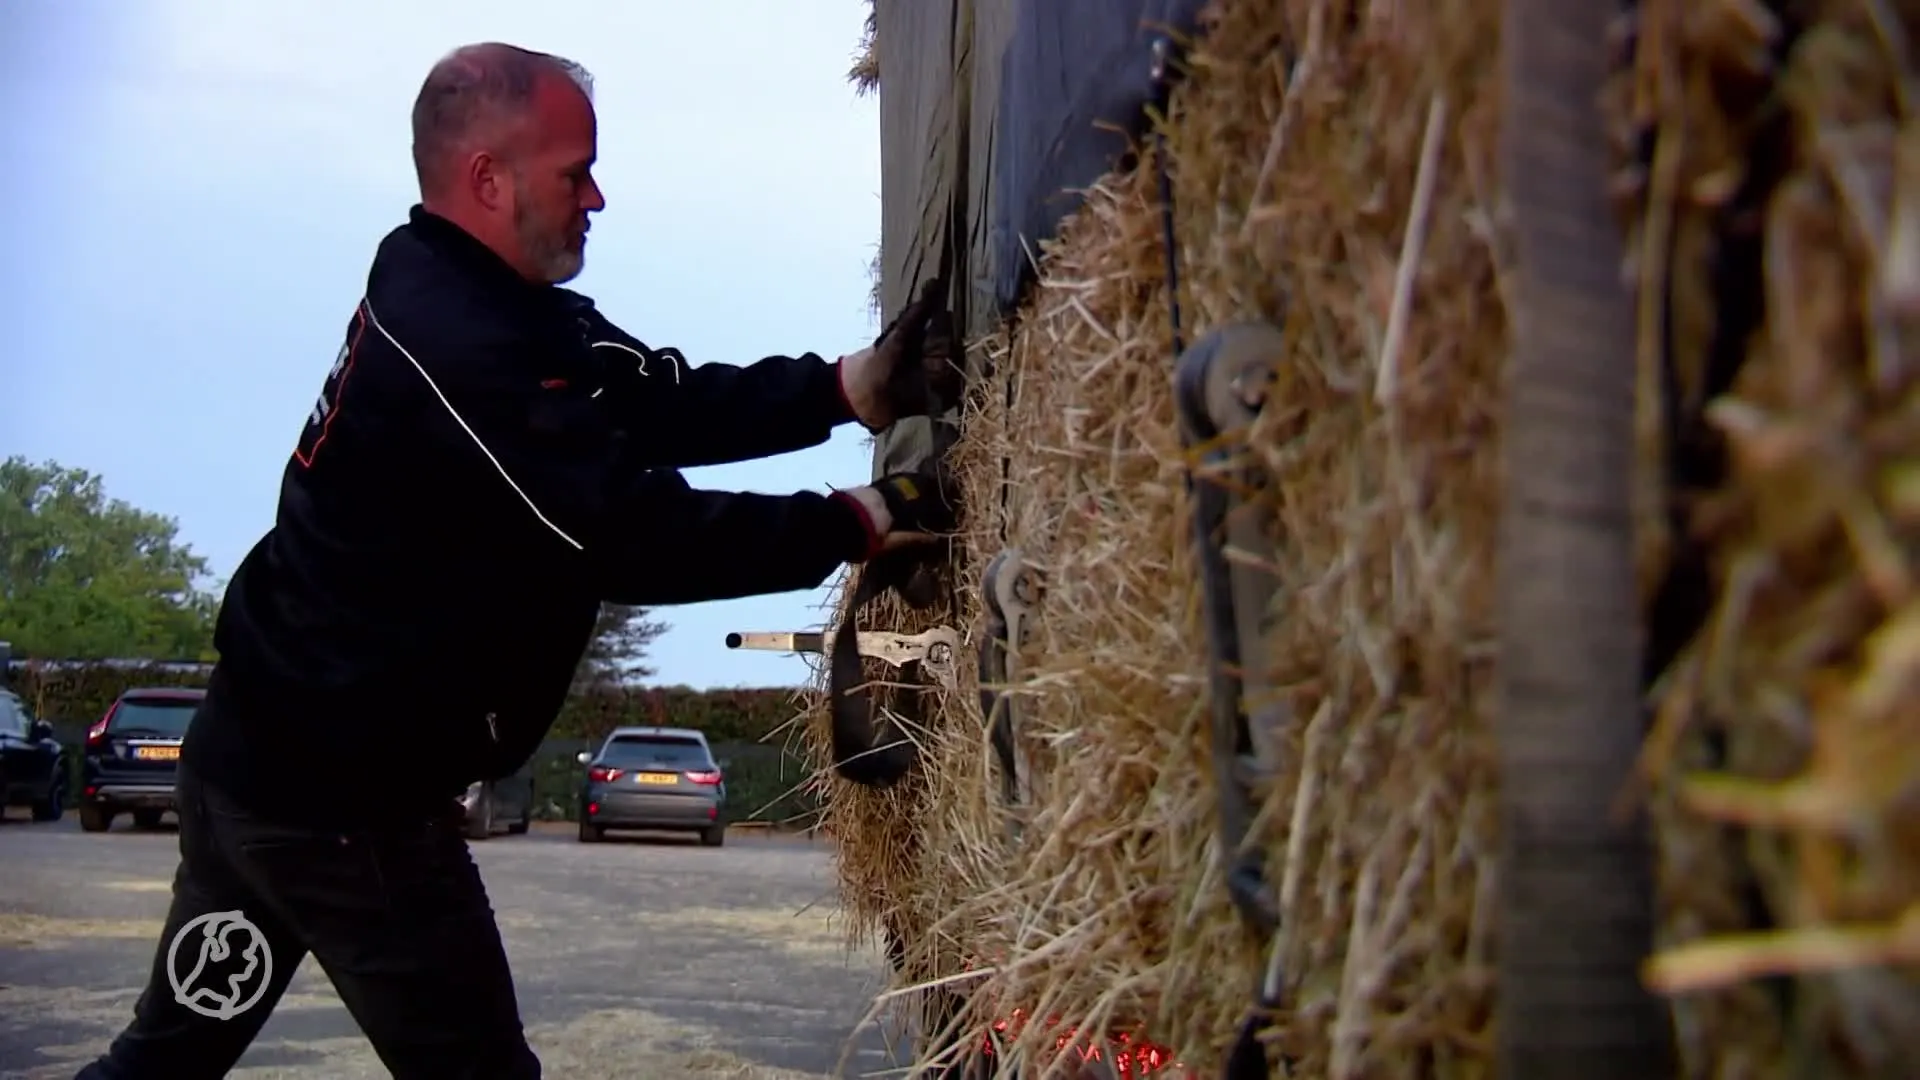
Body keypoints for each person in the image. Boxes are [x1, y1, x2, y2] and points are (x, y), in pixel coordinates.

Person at [76, 42, 956, 1080]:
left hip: (256, 759)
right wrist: (859, 518)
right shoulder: (458, 346)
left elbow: (654, 399)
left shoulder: (493, 301)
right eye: (572, 171)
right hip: (339, 798)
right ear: (489, 179)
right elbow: (629, 534)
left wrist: (849, 387)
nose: (596, 195)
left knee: (164, 1059)